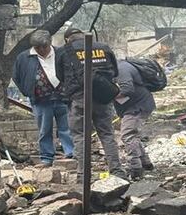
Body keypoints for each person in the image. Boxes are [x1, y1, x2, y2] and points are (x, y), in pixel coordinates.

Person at [56, 27, 123, 180]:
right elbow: (115, 72)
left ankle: (83, 174)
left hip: (79, 99)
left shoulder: (63, 51)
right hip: (102, 98)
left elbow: (60, 76)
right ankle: (117, 171)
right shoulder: (103, 48)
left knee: (80, 135)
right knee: (106, 134)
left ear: (67, 39)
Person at [12, 30, 75, 166]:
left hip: (62, 97)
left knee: (66, 128)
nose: (41, 50)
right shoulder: (24, 57)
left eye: (43, 47)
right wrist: (27, 90)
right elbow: (16, 76)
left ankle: (71, 153)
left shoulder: (61, 53)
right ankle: (47, 157)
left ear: (50, 43)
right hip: (41, 100)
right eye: (37, 47)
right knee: (44, 130)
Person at [114, 58, 157, 180]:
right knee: (134, 135)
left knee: (128, 136)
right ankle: (146, 163)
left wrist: (109, 95)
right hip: (138, 105)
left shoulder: (121, 68)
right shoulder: (120, 67)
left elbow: (127, 89)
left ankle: (136, 169)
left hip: (137, 106)